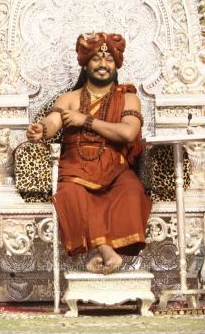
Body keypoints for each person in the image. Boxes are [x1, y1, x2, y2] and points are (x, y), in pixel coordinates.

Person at [25, 32, 152, 274]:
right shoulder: (69, 99)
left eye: (109, 59)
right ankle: (106, 252)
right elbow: (53, 122)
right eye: (96, 58)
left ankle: (103, 252)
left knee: (132, 190)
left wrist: (86, 120)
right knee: (70, 194)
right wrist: (42, 128)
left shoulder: (128, 98)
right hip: (76, 167)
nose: (103, 64)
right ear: (85, 64)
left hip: (116, 167)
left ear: (116, 65)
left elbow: (128, 133)